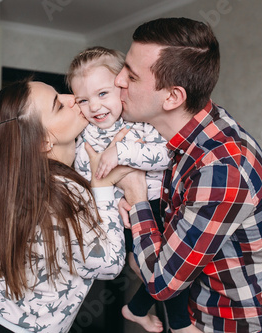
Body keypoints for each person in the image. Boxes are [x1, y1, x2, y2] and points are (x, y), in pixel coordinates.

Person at [108, 17, 262, 333]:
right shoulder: (187, 132)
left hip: (242, 327)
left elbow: (161, 283)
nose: (117, 81)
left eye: (130, 75)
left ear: (172, 97)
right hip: (198, 319)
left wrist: (136, 194)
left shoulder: (221, 169)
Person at [0, 79, 130, 333]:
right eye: (58, 105)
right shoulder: (59, 191)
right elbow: (109, 264)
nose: (71, 98)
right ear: (43, 142)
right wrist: (103, 187)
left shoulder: (25, 180)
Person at [67, 46, 193, 333]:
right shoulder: (84, 137)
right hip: (122, 217)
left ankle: (136, 309)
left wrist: (120, 153)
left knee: (166, 269)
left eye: (102, 94)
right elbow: (89, 182)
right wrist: (117, 196)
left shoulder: (139, 123)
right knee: (161, 269)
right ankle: (181, 325)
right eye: (83, 100)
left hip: (157, 207)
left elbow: (165, 156)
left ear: (121, 88)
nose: (95, 107)